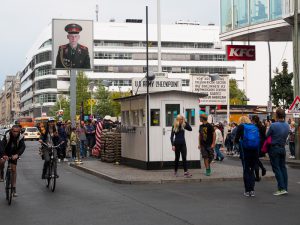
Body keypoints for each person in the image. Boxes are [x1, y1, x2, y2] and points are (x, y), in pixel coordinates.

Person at [234, 116, 260, 197]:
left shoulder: (241, 126)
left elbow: (236, 139)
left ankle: (247, 190)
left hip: (245, 151)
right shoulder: (254, 126)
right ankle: (252, 190)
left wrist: (237, 144)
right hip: (254, 151)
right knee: (252, 170)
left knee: (246, 170)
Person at [266, 108, 290, 196]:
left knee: (276, 168)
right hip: (282, 148)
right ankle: (285, 188)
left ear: (276, 115)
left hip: (274, 148)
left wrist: (268, 127)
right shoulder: (287, 125)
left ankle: (282, 188)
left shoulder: (273, 125)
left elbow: (267, 135)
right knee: (283, 168)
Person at [0, 125, 26, 197]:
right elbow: (1, 145)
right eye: (14, 131)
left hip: (14, 153)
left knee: (14, 169)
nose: (16, 133)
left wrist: (17, 155)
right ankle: (1, 172)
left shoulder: (20, 136)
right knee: (1, 162)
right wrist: (3, 155)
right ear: (11, 130)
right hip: (5, 151)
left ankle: (14, 188)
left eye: (17, 132)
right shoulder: (7, 135)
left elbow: (22, 147)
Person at [251, 115, 267, 181]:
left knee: (255, 160)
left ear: (253, 120)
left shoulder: (253, 127)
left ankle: (257, 176)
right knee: (256, 159)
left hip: (255, 143)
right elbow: (265, 136)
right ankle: (262, 169)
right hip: (261, 144)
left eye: (251, 120)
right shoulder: (262, 126)